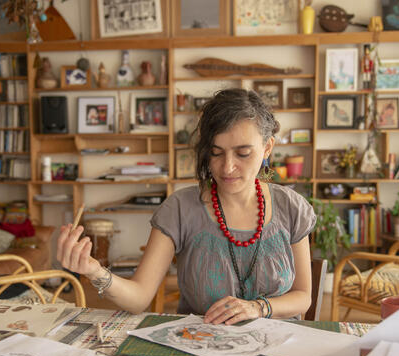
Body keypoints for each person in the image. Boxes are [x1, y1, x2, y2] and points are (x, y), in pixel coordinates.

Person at [57, 88, 316, 324]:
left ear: (267, 147)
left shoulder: (291, 207)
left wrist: (258, 308)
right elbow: (138, 298)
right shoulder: (180, 209)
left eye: (243, 153)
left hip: (278, 345)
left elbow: (303, 296)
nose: (227, 167)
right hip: (201, 345)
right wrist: (94, 271)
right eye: (216, 153)